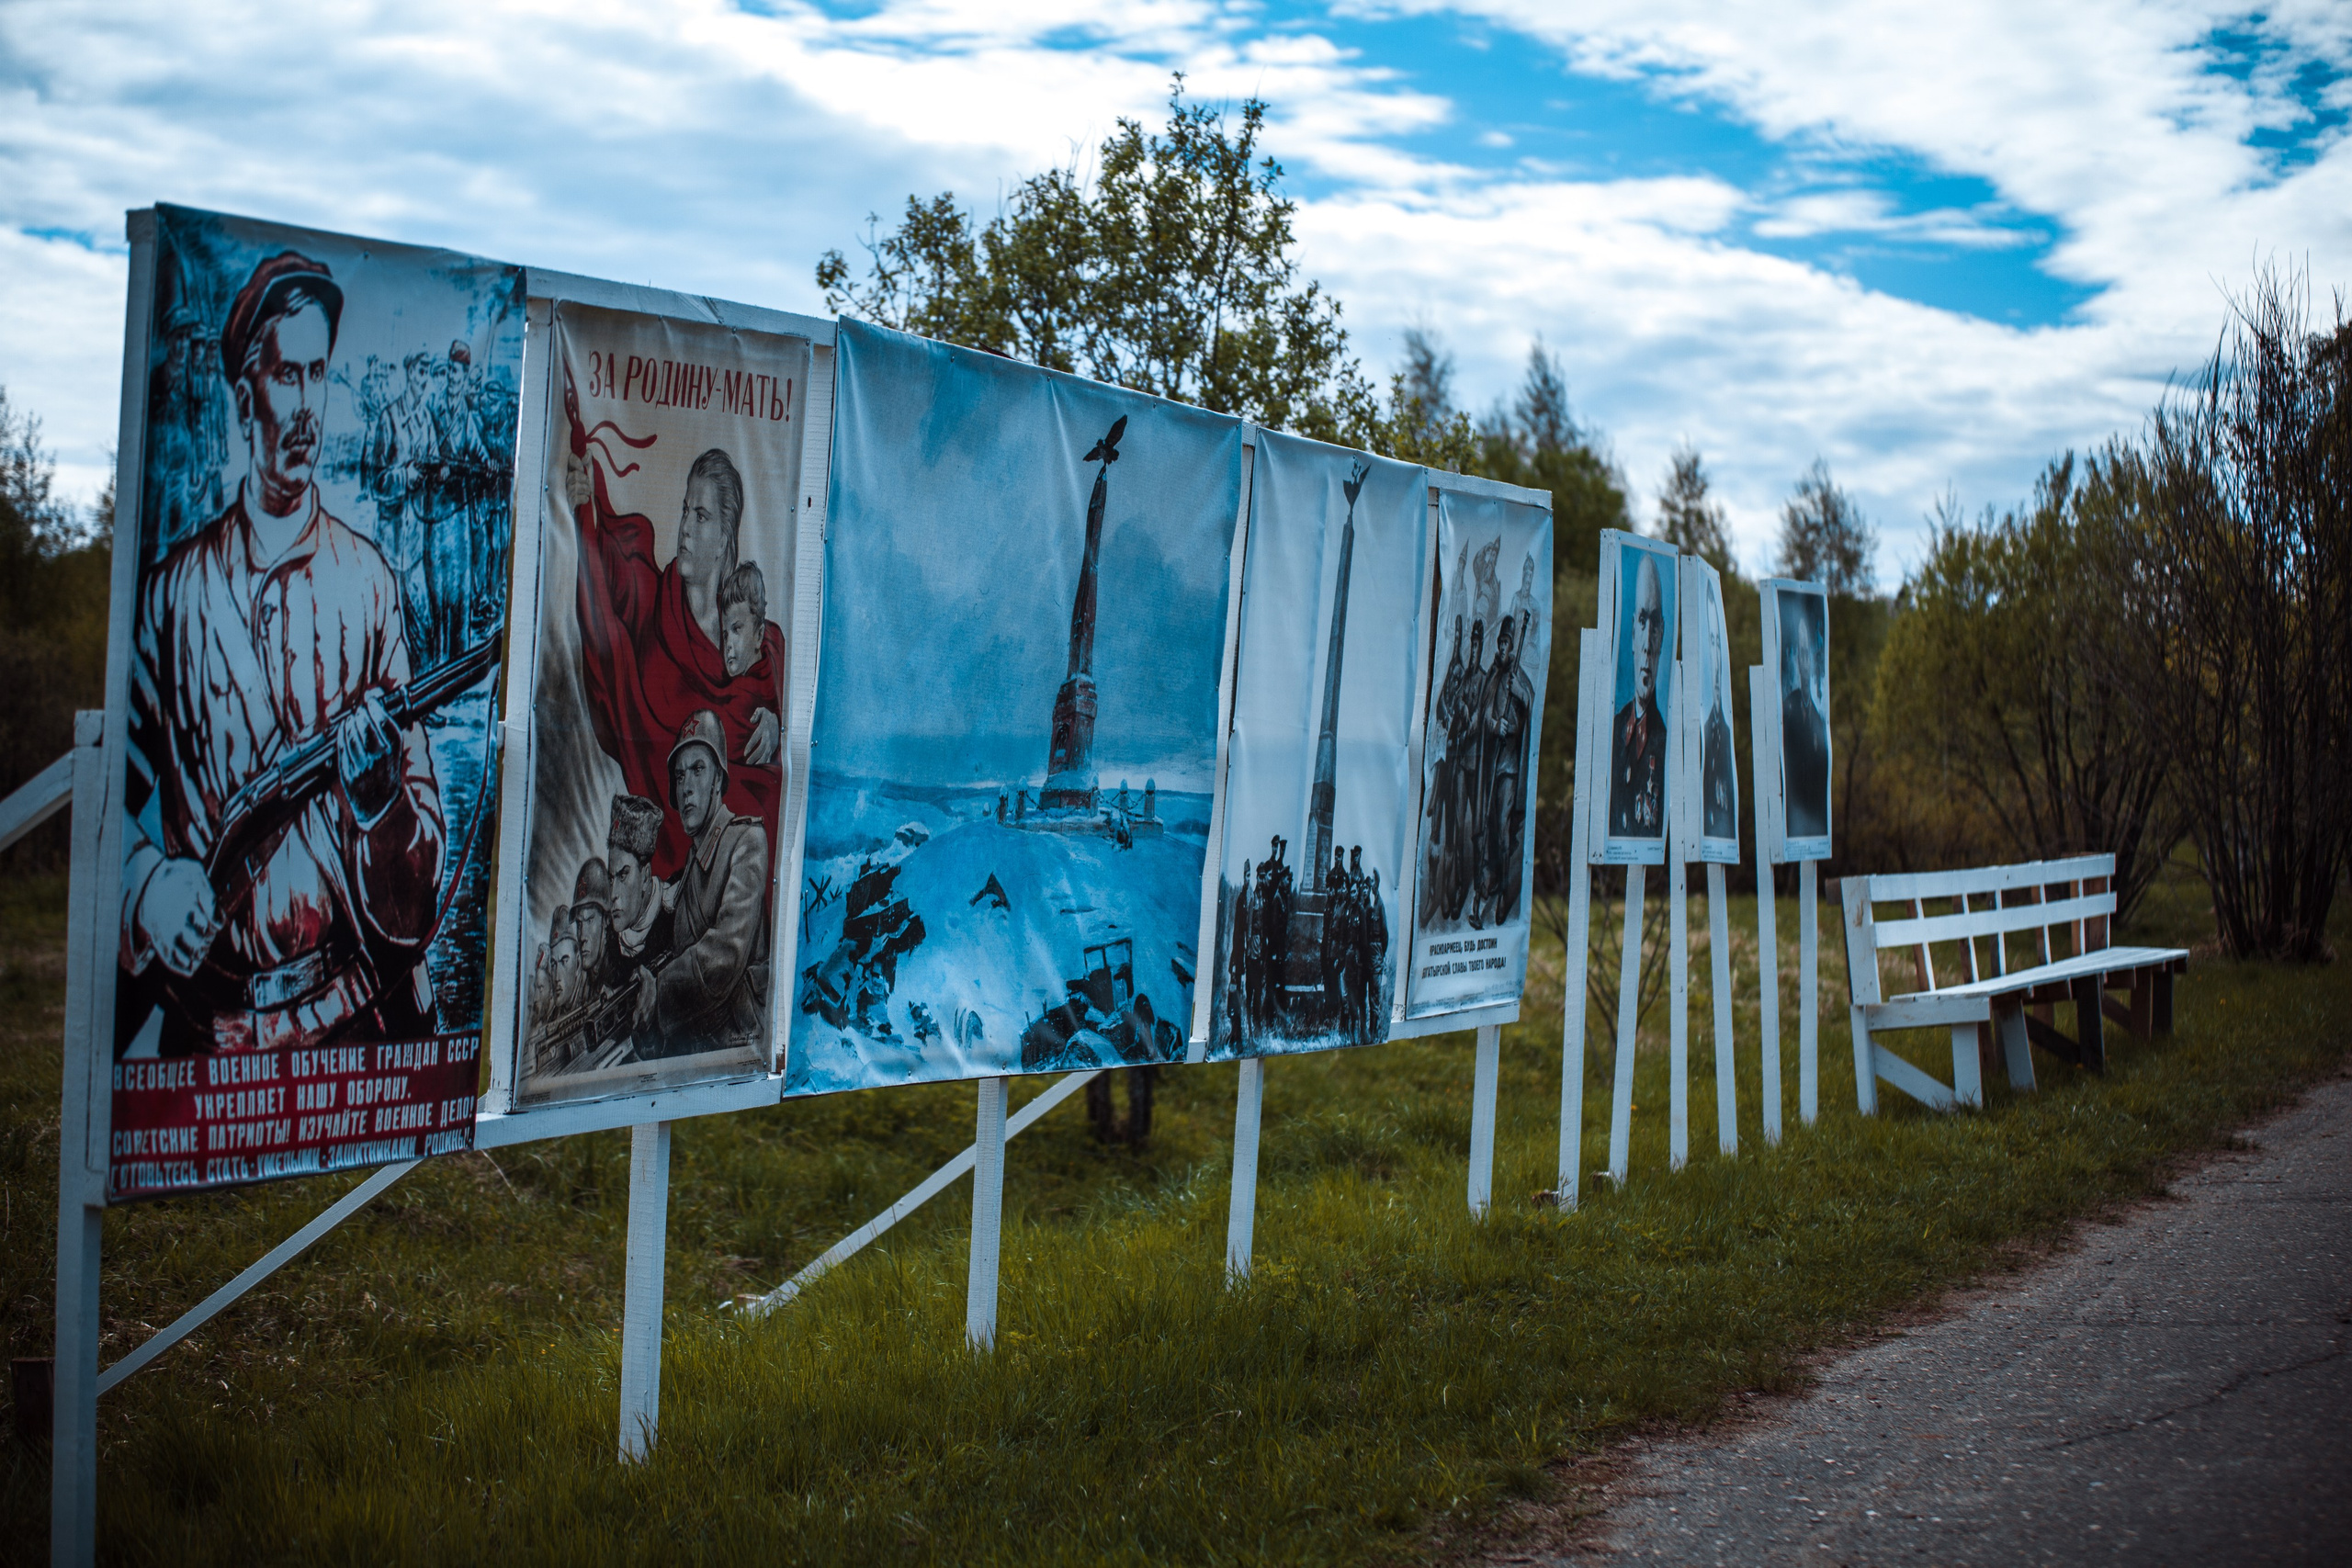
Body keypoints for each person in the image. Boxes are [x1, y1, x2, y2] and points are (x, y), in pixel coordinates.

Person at [121, 250, 447, 1057]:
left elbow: (424, 852)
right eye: (287, 376)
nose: (308, 407)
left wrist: (383, 809)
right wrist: (150, 888)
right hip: (209, 1028)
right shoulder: (170, 596)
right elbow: (108, 803)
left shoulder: (369, 581)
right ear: (244, 398)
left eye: (320, 376)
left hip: (349, 1017)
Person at [566, 434, 786, 878]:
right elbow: (605, 602)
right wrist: (588, 511)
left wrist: (777, 721)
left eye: (700, 516)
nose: (684, 526)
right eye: (686, 510)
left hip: (735, 876)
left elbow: (776, 701)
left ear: (725, 538)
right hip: (663, 871)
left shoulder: (762, 645)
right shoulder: (652, 602)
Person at [640, 710, 772, 1056]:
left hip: (743, 1041)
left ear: (717, 779)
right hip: (701, 1045)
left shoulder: (747, 841)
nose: (686, 787)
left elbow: (726, 953)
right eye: (680, 775)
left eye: (698, 770)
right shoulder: (689, 871)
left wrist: (661, 992)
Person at [1478, 615, 1535, 927]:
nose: (1502, 648)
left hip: (1511, 764)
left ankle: (1502, 892)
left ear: (1513, 647)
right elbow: (1486, 714)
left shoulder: (1518, 678)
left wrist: (1519, 701)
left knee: (1502, 827)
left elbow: (1529, 709)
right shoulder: (1495, 676)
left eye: (1507, 644)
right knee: (1489, 824)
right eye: (1499, 642)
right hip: (1494, 764)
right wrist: (1494, 724)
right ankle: (1490, 878)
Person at [1609, 551, 1668, 839]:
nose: (1647, 643)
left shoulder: (1666, 741)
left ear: (1662, 634)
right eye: (1643, 621)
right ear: (1632, 632)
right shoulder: (1614, 729)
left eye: (1655, 623)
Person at [1781, 600, 1831, 840]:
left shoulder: (1819, 722)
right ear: (1795, 660)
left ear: (1813, 660)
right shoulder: (1787, 709)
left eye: (1807, 654)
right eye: (1799, 654)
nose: (1803, 662)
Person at [1702, 603, 1736, 842]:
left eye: (1718, 644)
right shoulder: (1701, 730)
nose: (1714, 655)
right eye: (1710, 642)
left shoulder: (1725, 732)